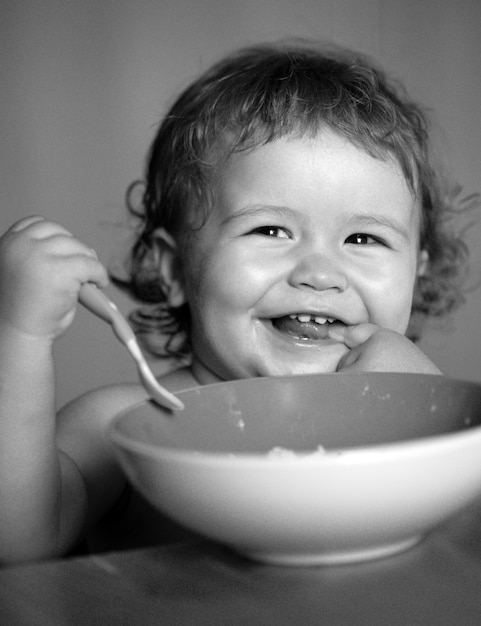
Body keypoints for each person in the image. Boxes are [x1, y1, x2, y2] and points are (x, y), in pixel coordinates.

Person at [0, 41, 472, 565]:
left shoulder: (416, 398)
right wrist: (18, 336)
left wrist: (417, 401)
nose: (319, 273)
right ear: (175, 270)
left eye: (364, 240)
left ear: (417, 272)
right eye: (271, 229)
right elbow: (18, 542)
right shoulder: (121, 426)